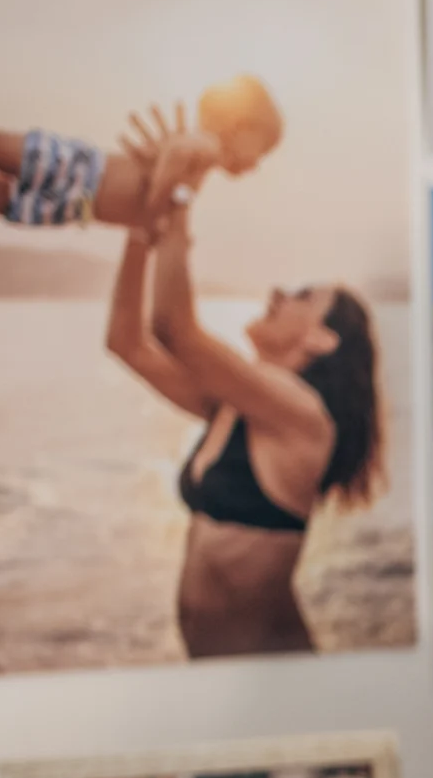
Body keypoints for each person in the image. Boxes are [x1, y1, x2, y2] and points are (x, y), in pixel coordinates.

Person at [99, 165, 385, 658]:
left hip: (277, 688)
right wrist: (140, 230)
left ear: (321, 338)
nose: (277, 293)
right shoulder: (233, 406)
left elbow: (173, 327)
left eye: (301, 296)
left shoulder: (302, 417)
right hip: (217, 679)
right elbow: (126, 341)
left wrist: (179, 197)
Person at [0, 75, 282, 232]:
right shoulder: (206, 145)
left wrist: (161, 209)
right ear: (242, 127)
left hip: (76, 207)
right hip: (81, 174)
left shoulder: (206, 165)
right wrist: (164, 207)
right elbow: (177, 154)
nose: (258, 164)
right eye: (262, 148)